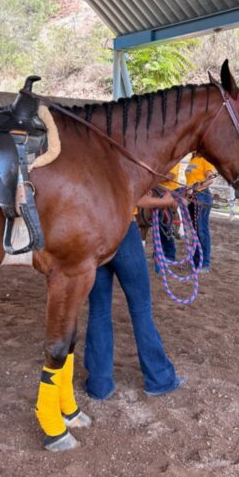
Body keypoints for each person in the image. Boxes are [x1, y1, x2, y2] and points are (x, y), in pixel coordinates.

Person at [83, 192, 185, 400]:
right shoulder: (118, 166)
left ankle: (99, 384)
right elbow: (134, 196)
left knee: (98, 310)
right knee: (141, 309)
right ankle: (159, 378)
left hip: (93, 232)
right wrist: (164, 201)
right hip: (122, 230)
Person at [185, 152, 216, 270]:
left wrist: (195, 188)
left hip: (201, 196)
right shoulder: (192, 160)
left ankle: (204, 263)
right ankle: (196, 260)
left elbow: (211, 179)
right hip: (192, 197)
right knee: (195, 231)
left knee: (202, 230)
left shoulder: (205, 159)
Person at [156, 163, 181, 263]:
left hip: (170, 192)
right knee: (158, 225)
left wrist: (152, 179)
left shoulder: (174, 161)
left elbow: (170, 176)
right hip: (159, 191)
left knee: (166, 225)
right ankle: (160, 251)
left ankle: (170, 254)